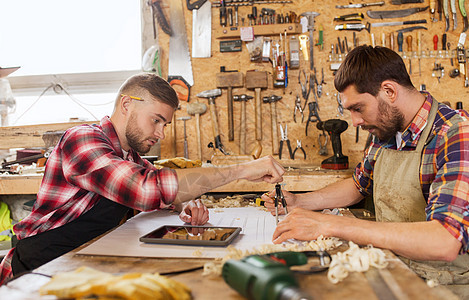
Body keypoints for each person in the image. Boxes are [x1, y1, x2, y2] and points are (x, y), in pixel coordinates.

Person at [0, 73, 285, 284]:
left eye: (165, 124)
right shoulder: (83, 139)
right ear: (127, 105)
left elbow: (157, 192)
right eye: (156, 120)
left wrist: (183, 206)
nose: (161, 133)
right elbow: (144, 189)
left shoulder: (130, 157)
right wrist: (241, 170)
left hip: (83, 261)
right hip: (39, 266)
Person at [263, 45, 469, 297]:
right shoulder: (386, 131)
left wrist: (330, 224)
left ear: (389, 91)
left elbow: (445, 240)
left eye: (358, 108)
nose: (355, 122)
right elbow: (358, 185)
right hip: (391, 266)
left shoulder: (455, 134)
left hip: (442, 285)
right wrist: (298, 202)